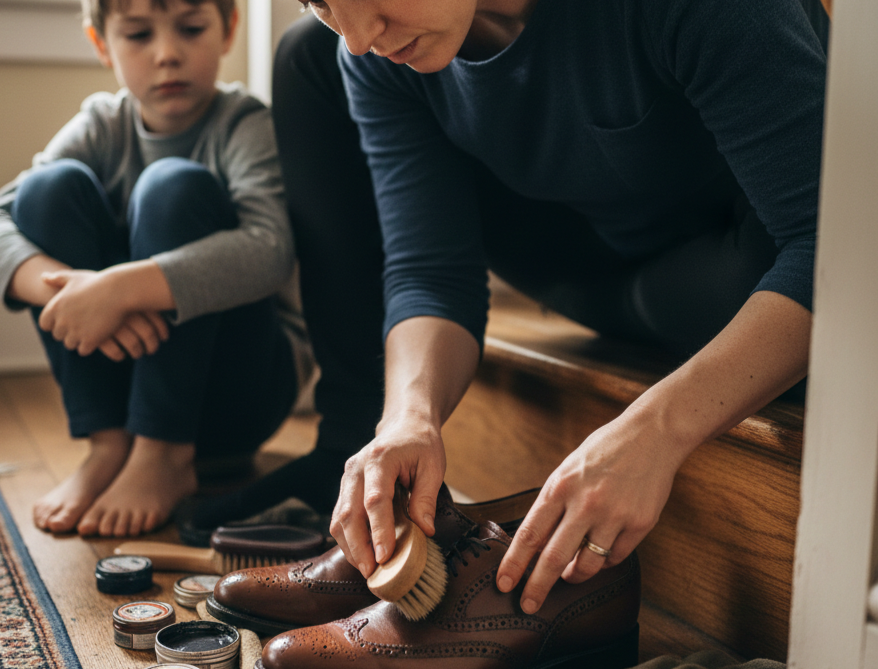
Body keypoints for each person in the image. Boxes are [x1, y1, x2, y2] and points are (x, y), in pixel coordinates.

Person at [261, 0, 824, 616]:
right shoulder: (377, 51)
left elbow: (836, 254)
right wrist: (407, 417)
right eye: (319, 1)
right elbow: (431, 270)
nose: (360, 37)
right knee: (308, 57)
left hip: (734, 272)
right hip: (585, 269)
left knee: (804, 261)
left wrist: (653, 431)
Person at [0, 0, 310, 538]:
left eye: (191, 29)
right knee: (46, 191)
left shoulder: (244, 124)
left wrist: (122, 290)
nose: (167, 54)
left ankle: (164, 452)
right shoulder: (103, 126)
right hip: (127, 392)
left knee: (174, 186)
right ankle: (110, 446)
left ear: (228, 29)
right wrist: (80, 293)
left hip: (242, 393)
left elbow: (270, 250)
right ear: (102, 44)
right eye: (139, 34)